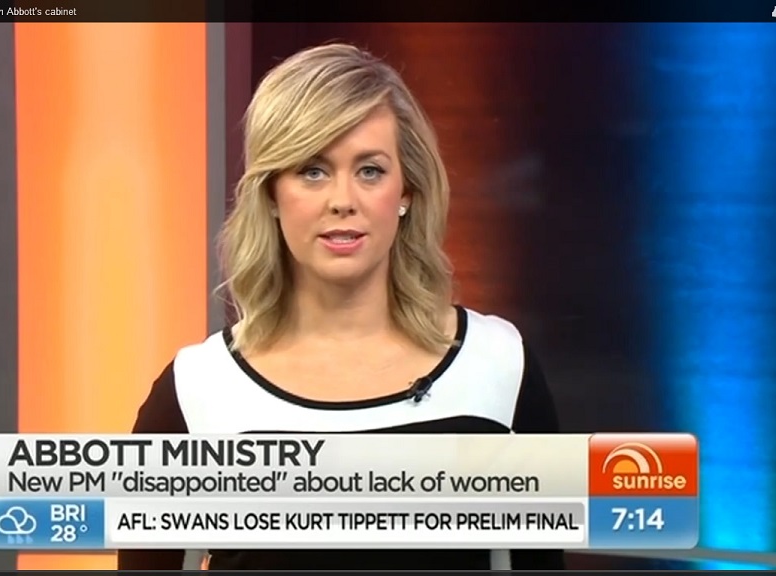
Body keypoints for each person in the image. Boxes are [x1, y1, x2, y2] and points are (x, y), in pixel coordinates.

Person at [118, 42, 564, 571]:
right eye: (312, 170)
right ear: (271, 195)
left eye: (370, 171)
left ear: (407, 192)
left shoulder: (498, 366)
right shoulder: (197, 390)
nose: (343, 200)